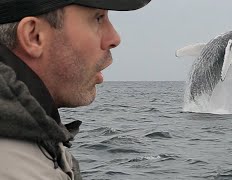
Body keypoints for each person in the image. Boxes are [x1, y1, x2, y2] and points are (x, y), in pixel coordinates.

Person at [0, 0, 151, 179]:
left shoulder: (35, 143)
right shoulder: (19, 170)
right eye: (98, 18)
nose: (114, 38)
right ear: (34, 35)